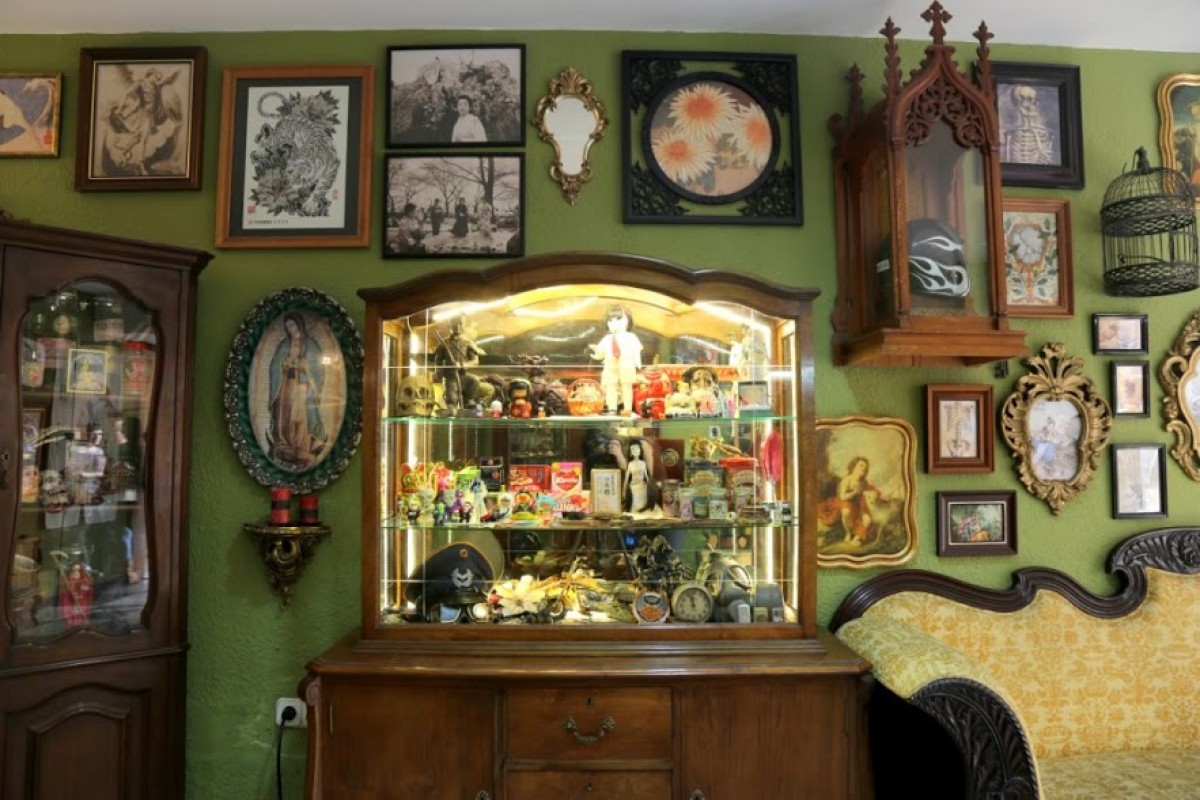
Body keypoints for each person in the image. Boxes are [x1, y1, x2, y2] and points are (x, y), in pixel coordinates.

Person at [267, 313, 328, 470]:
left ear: (299, 325)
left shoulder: (311, 345)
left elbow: (317, 369)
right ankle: (283, 443)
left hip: (302, 385)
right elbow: (275, 365)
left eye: (293, 325)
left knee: (299, 415)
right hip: (286, 385)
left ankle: (301, 446)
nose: (291, 329)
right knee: (284, 413)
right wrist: (283, 365)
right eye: (288, 327)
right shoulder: (284, 345)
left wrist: (303, 366)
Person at [587, 304, 643, 415]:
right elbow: (601, 352)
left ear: (628, 320)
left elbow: (636, 350)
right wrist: (596, 351)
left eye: (618, 319)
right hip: (610, 365)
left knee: (627, 385)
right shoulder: (607, 339)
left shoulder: (630, 337)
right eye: (610, 320)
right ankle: (612, 408)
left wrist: (638, 362)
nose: (614, 323)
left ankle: (627, 408)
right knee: (610, 386)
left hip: (626, 364)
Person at [817, 457, 886, 546]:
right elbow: (842, 497)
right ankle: (848, 534)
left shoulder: (864, 482)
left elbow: (868, 490)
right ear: (854, 467)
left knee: (867, 519)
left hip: (858, 505)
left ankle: (856, 538)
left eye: (866, 467)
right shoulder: (847, 480)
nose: (864, 468)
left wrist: (875, 495)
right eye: (861, 465)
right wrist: (854, 493)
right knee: (846, 512)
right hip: (845, 502)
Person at [432, 316, 486, 412]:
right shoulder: (444, 343)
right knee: (452, 401)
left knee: (474, 380)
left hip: (463, 375)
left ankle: (468, 401)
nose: (457, 326)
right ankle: (451, 406)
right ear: (450, 324)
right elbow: (438, 361)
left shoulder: (468, 342)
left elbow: (475, 361)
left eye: (460, 323)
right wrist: (439, 374)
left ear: (463, 324)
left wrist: (462, 365)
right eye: (454, 323)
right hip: (451, 378)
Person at [1001, 83, 1056, 166]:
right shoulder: (1009, 134)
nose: (1026, 106)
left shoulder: (1048, 134)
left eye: (1034, 101)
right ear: (1017, 103)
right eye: (1022, 100)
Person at [623, 438, 658, 513]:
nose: (635, 451)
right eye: (633, 449)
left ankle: (643, 509)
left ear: (640, 450)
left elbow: (646, 476)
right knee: (635, 499)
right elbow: (626, 478)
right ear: (630, 452)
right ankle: (635, 510)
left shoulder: (643, 463)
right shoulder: (630, 464)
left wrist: (651, 486)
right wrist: (624, 490)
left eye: (637, 449)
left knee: (644, 497)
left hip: (643, 485)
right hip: (634, 486)